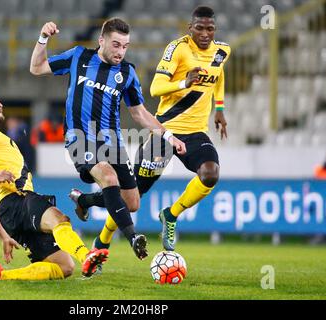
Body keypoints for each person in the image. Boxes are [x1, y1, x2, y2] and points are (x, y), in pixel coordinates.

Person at [74, 7, 230, 253]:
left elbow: (217, 75)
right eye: (199, 28)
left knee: (210, 174)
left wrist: (219, 108)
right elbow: (156, 88)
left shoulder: (222, 51)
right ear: (190, 28)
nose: (204, 33)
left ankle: (171, 214)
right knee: (131, 197)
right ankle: (101, 238)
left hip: (196, 133)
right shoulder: (178, 49)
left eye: (209, 28)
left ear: (215, 30)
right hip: (164, 132)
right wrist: (184, 82)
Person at [30, 18, 186, 261]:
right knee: (108, 176)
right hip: (79, 138)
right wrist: (43, 38)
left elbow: (139, 113)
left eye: (125, 46)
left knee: (132, 202)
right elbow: (36, 68)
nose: (121, 52)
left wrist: (168, 135)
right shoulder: (78, 57)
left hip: (113, 144)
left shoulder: (127, 73)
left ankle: (85, 199)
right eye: (116, 45)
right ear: (101, 41)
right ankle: (133, 237)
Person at [0, 86, 108, 281]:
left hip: (9, 213)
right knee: (59, 219)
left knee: (64, 266)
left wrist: (3, 235)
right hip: (17, 200)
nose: (0, 103)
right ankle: (86, 256)